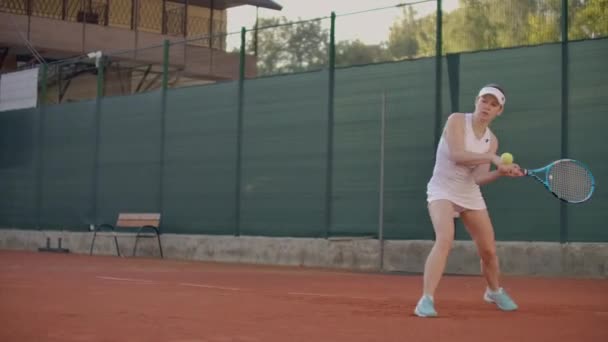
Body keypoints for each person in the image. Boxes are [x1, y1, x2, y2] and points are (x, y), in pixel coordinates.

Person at [414, 84, 524, 318]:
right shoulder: (456, 121)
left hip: (469, 193)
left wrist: (500, 173)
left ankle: (493, 291)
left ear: (499, 111)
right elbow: (457, 155)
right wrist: (493, 158)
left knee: (489, 251)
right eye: (484, 101)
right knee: (445, 239)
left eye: (494, 104)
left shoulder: (491, 140)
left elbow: (478, 178)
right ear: (476, 101)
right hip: (441, 190)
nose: (487, 107)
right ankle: (426, 299)